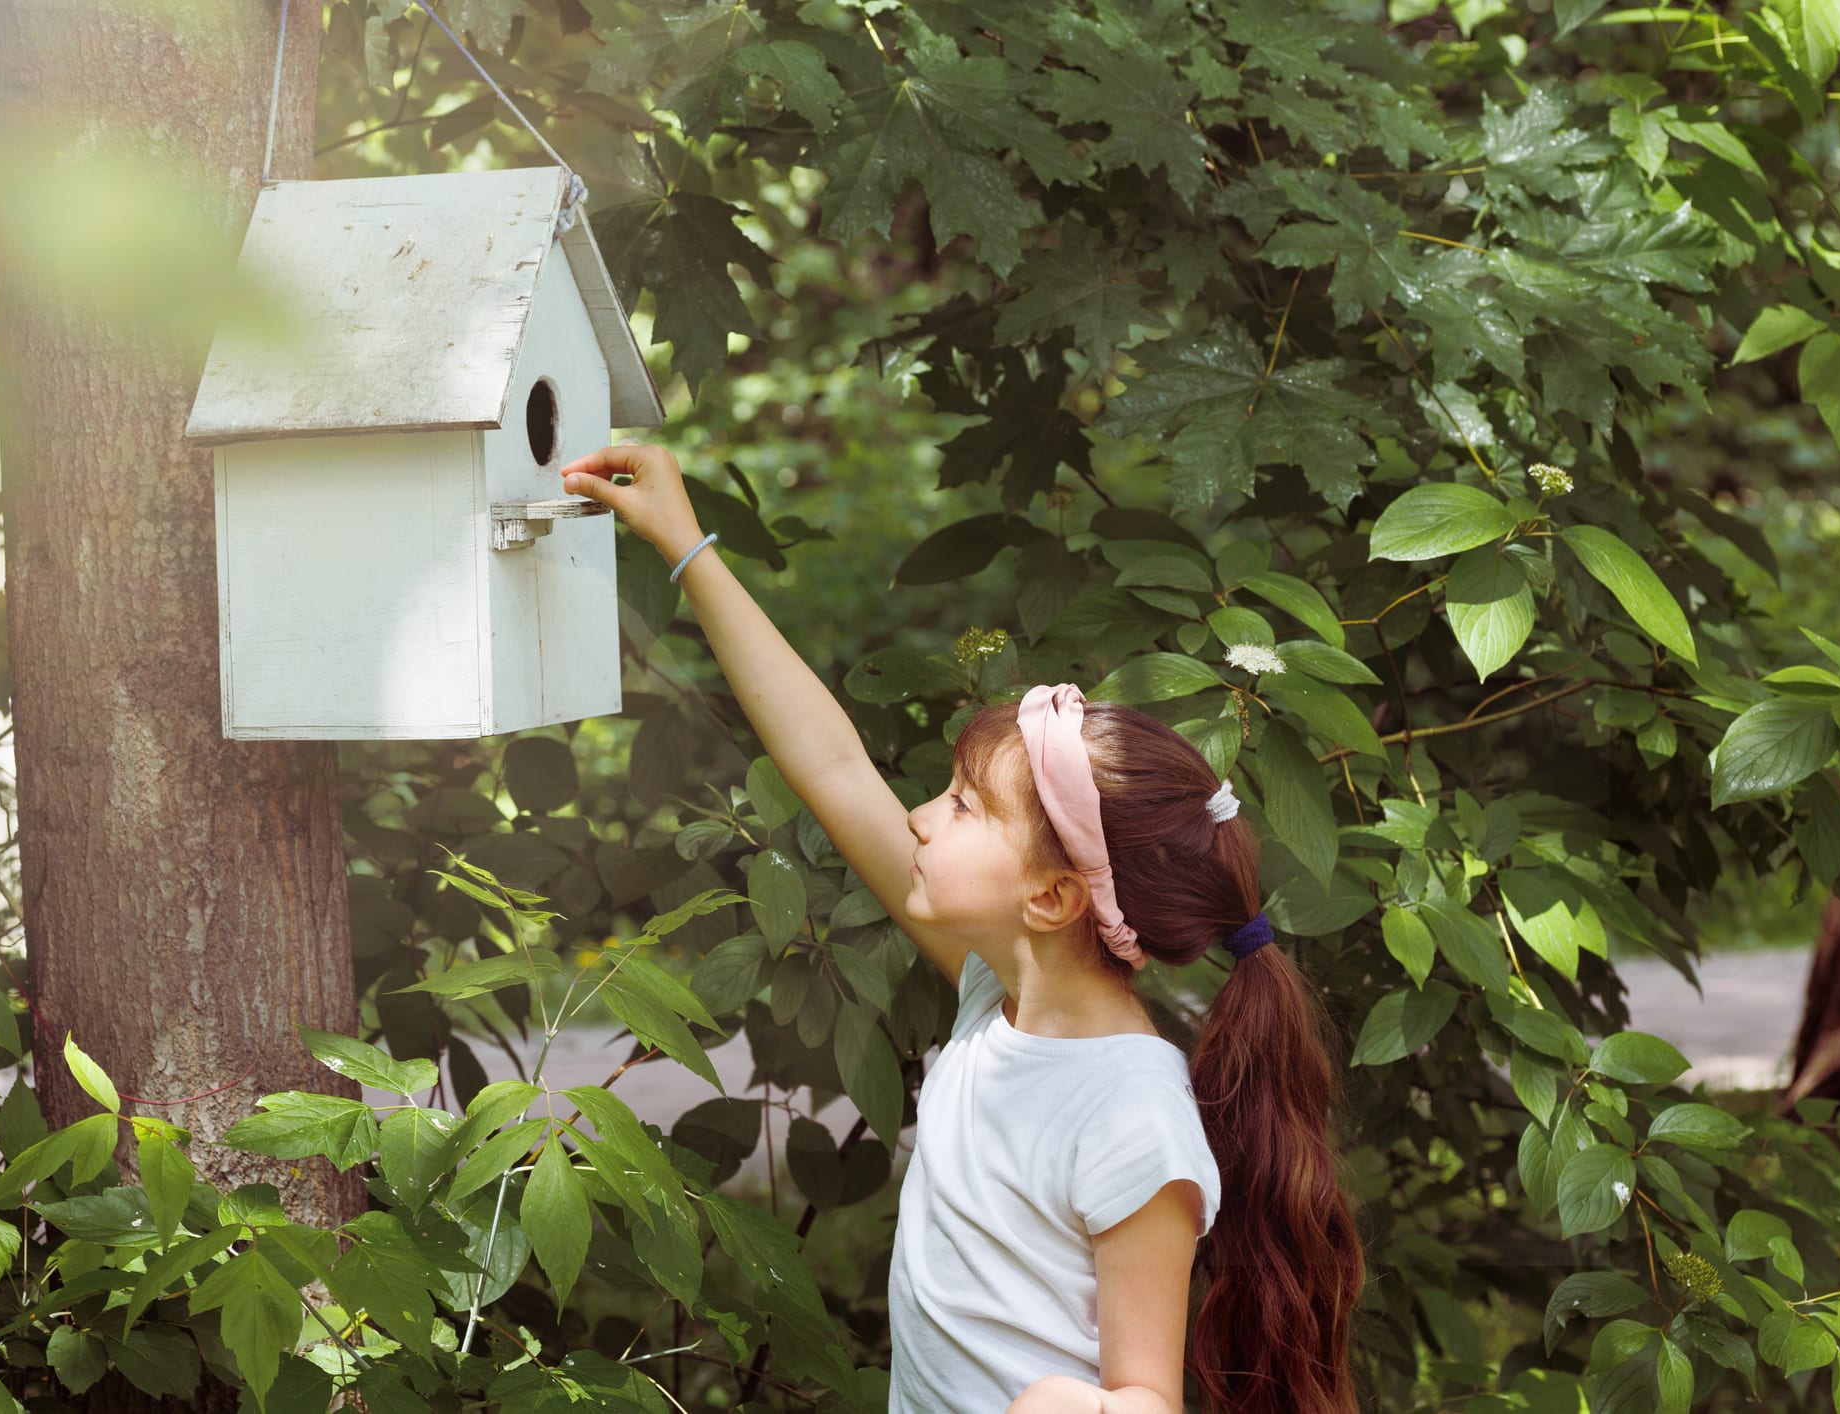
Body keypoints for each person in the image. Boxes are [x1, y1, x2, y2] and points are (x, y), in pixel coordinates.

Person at [556, 442, 1366, 1414]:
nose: (921, 816)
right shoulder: (1002, 992)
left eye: (965, 805)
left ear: (1055, 898)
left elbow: (1147, 1395)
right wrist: (689, 548)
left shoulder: (1131, 1110)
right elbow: (834, 768)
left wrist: (1070, 1405)